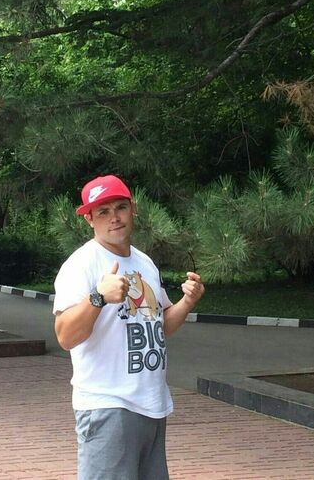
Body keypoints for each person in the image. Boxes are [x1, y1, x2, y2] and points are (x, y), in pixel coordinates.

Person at [54, 175, 205, 480]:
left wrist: (187, 302)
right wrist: (98, 297)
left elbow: (159, 326)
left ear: (132, 208)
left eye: (120, 207)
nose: (114, 218)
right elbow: (65, 336)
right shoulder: (82, 264)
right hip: (108, 406)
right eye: (103, 212)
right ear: (89, 219)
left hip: (152, 404)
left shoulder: (144, 263)